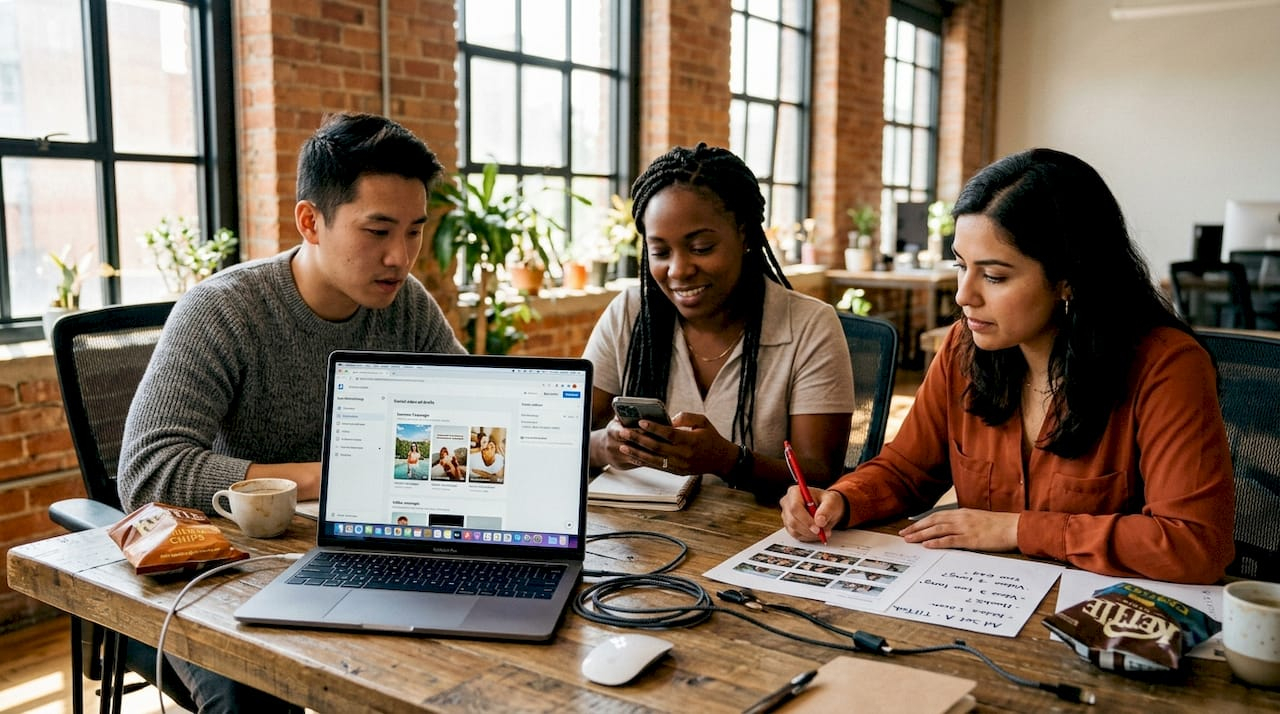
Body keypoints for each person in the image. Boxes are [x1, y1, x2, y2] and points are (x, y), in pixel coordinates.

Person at [117, 112, 465, 712]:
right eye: (378, 230)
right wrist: (327, 475)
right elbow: (148, 471)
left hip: (364, 554)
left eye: (414, 231)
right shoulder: (224, 310)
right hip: (231, 575)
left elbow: (465, 407)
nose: (400, 257)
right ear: (310, 221)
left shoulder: (406, 304)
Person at [780, 148, 1235, 585]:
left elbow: (1194, 543)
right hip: (982, 601)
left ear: (1067, 279)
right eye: (961, 266)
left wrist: (1016, 529)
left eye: (994, 276)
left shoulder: (1166, 367)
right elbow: (907, 470)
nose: (964, 295)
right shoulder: (964, 346)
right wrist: (841, 499)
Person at [582, 144, 854, 500]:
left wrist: (728, 460)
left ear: (744, 234)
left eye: (701, 248)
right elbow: (561, 439)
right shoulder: (630, 314)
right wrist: (606, 446)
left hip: (755, 538)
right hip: (638, 538)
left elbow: (819, 475)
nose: (678, 270)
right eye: (660, 252)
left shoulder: (808, 326)